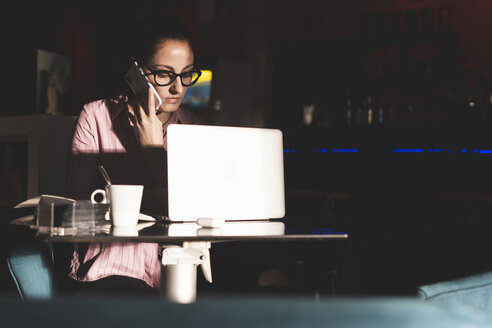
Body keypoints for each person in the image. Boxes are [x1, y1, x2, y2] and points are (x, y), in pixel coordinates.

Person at [62, 13, 205, 297]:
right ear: (135, 71)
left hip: (183, 270)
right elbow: (77, 213)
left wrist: (153, 152)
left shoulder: (195, 127)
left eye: (187, 73)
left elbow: (200, 212)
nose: (178, 87)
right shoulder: (96, 117)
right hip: (111, 271)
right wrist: (158, 195)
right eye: (164, 73)